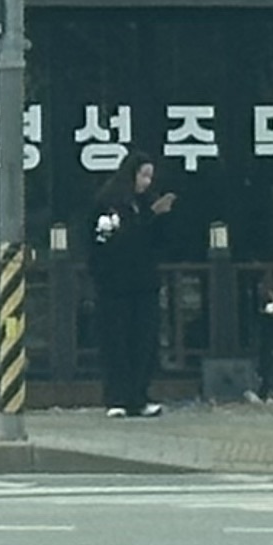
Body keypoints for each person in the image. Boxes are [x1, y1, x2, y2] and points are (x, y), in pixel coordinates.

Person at [85, 153, 178, 416]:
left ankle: (139, 397)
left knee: (144, 341)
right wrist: (149, 216)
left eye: (150, 176)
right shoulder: (109, 202)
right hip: (114, 284)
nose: (147, 182)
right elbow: (110, 242)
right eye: (143, 175)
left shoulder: (147, 201)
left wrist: (162, 217)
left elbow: (159, 242)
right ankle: (117, 398)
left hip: (144, 282)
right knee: (116, 342)